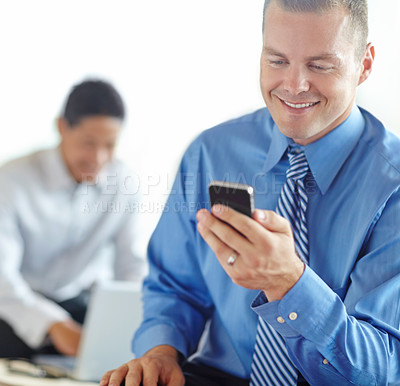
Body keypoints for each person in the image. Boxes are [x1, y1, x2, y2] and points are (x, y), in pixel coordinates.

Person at [101, 0, 400, 385]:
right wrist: (162, 352)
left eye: (320, 65)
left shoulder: (391, 186)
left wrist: (289, 283)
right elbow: (175, 288)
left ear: (366, 64)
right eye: (276, 61)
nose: (294, 86)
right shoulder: (211, 152)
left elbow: (381, 370)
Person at [0, 79, 146, 359]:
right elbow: (2, 278)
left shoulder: (124, 181)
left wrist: (130, 321)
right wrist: (53, 323)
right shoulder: (11, 181)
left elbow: (132, 266)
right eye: (88, 143)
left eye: (110, 145)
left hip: (77, 301)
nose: (98, 157)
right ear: (61, 128)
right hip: (14, 302)